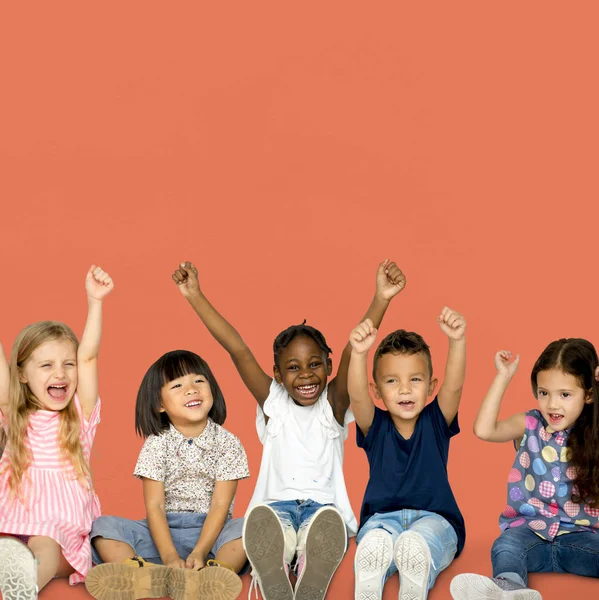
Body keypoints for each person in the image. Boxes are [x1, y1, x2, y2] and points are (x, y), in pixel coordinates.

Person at [172, 259, 405, 600]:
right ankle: (276, 571)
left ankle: (312, 569)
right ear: (278, 375)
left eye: (314, 365)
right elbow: (236, 347)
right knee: (273, 535)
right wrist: (194, 294)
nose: (306, 375)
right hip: (274, 509)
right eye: (293, 368)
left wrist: (381, 298)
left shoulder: (333, 405)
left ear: (327, 366)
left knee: (321, 531)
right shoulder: (274, 403)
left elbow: (352, 350)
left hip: (323, 512)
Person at [86, 350, 249, 600]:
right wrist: (169, 556)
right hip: (161, 532)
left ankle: (216, 575)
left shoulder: (229, 443)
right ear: (159, 405)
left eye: (199, 381)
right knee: (103, 526)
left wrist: (199, 551)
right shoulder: (156, 444)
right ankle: (139, 573)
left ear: (212, 390)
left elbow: (220, 504)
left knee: (246, 527)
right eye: (177, 385)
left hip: (213, 533)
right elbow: (155, 506)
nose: (192, 389)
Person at [450, 339, 599, 600]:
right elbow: (484, 430)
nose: (552, 404)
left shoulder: (595, 433)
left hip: (582, 540)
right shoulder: (530, 424)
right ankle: (510, 589)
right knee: (505, 546)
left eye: (565, 394)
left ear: (588, 394)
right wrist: (503, 377)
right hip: (531, 536)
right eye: (544, 392)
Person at [0, 266, 114, 598]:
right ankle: (11, 571)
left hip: (56, 530)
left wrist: (95, 302)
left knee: (44, 546)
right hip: (10, 521)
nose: (60, 373)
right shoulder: (14, 414)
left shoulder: (79, 415)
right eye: (46, 365)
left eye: (68, 363)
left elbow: (89, 356)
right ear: (21, 375)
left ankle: (21, 588)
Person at [349, 307, 466, 600]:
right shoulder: (374, 426)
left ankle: (416, 572)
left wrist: (457, 341)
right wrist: (359, 353)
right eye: (392, 381)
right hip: (381, 519)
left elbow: (454, 386)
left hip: (435, 517)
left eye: (415, 379)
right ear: (377, 391)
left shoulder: (436, 421)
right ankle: (370, 575)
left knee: (424, 539)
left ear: (430, 386)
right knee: (377, 538)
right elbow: (356, 395)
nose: (404, 389)